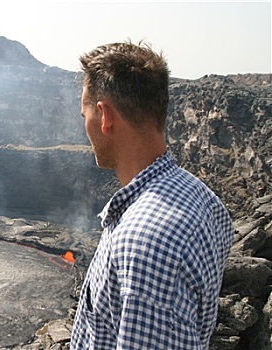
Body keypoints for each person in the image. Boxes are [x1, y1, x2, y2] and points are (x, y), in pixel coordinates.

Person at [70, 41, 234, 349]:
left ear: (105, 116)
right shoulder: (203, 198)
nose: (85, 127)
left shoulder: (144, 245)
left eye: (85, 115)